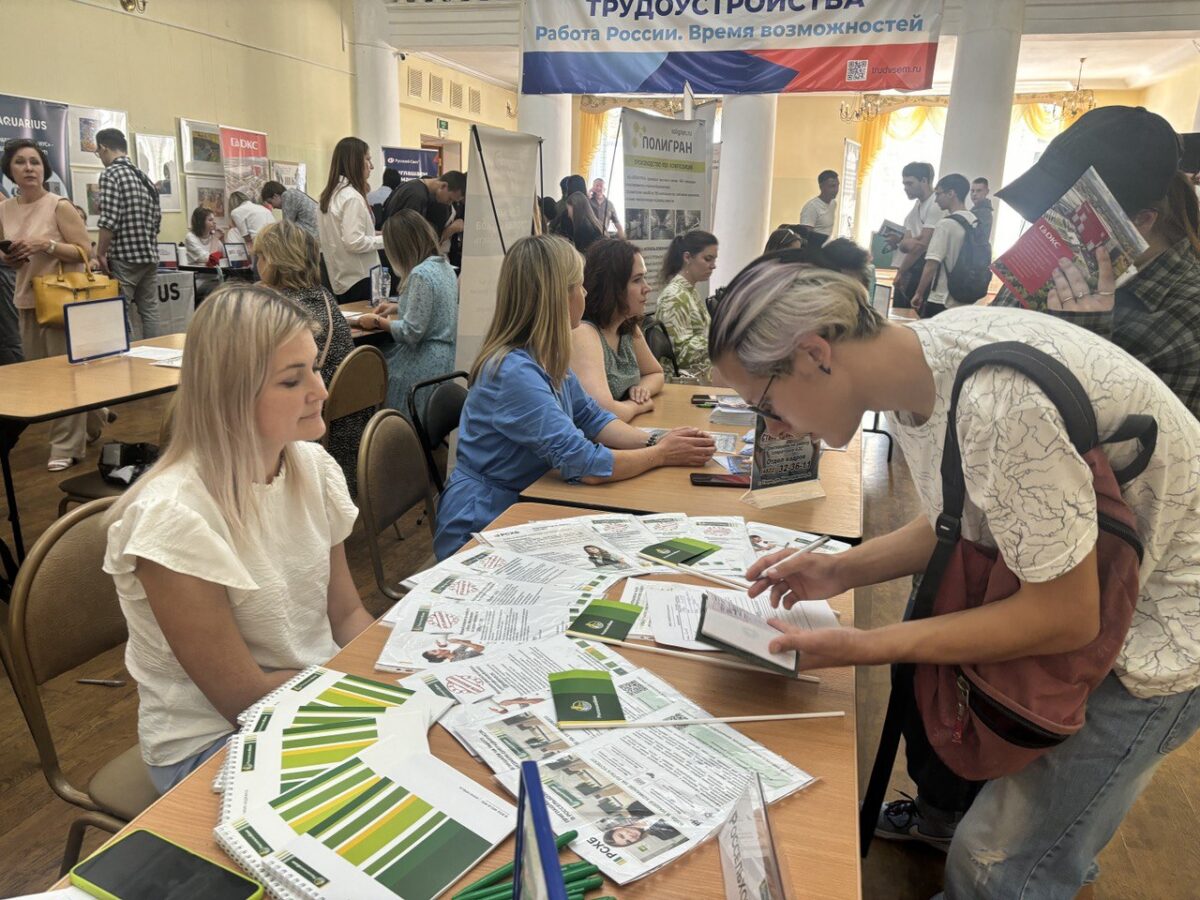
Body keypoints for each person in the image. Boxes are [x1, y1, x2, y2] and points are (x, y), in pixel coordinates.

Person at [710, 261, 1200, 900]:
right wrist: (839, 568)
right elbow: (966, 514)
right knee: (1041, 837)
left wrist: (864, 645)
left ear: (813, 354)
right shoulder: (925, 364)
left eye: (765, 404)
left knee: (1000, 863)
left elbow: (1065, 617)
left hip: (1165, 628)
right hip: (1116, 590)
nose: (771, 429)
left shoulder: (1000, 403)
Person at [103, 285, 374, 793]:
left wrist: (395, 669)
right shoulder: (173, 517)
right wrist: (369, 697)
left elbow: (346, 615)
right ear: (230, 394)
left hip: (307, 695)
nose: (320, 390)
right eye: (293, 380)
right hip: (213, 742)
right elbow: (243, 699)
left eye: (315, 368)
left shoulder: (311, 467)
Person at [433, 235, 715, 558]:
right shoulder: (513, 372)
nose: (584, 294)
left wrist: (653, 442)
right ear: (558, 297)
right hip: (480, 523)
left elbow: (593, 418)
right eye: (579, 286)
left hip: (520, 503)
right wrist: (661, 454)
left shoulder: (544, 356)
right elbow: (585, 464)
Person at [991, 106, 1200, 420]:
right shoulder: (1063, 256)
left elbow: (1154, 455)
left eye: (1066, 214)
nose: (1046, 227)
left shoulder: (1188, 311)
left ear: (1141, 221)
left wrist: (1083, 332)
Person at [0, 138, 110, 468]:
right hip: (27, 297)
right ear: (10, 171)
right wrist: (11, 256)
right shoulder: (4, 209)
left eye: (34, 161)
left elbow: (84, 251)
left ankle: (65, 447)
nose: (28, 168)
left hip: (63, 299)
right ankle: (96, 413)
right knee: (45, 375)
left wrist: (45, 245)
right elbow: (4, 256)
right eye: (20, 162)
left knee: (63, 375)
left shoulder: (58, 205)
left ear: (44, 168)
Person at [254, 220, 363, 495]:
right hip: (347, 428)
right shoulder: (324, 297)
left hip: (309, 433)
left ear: (272, 261)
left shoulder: (278, 312)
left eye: (260, 256)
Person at [356, 210, 459, 414]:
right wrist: (398, 307)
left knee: (372, 367)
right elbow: (433, 309)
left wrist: (377, 321)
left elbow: (410, 332)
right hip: (444, 360)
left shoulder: (420, 274)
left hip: (424, 361)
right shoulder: (444, 267)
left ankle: (376, 434)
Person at [573, 238, 664, 422]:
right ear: (612, 286)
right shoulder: (584, 332)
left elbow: (656, 373)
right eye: (637, 280)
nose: (647, 288)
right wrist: (638, 405)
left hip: (626, 428)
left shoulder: (627, 326)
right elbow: (603, 412)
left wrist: (642, 389)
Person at [95, 128, 162, 339]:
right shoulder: (144, 178)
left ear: (103, 148)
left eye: (98, 153)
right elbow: (157, 220)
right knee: (150, 312)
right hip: (149, 255)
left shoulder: (110, 174)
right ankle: (158, 353)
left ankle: (127, 362)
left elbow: (110, 219)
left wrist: (101, 252)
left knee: (120, 312)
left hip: (124, 256)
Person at [317, 136, 383, 303]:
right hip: (360, 278)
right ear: (354, 161)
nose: (372, 166)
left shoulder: (329, 196)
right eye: (367, 159)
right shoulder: (351, 197)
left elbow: (341, 236)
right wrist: (386, 240)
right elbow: (354, 242)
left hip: (340, 278)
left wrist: (373, 234)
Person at [655, 230, 718, 379]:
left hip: (701, 375)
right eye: (708, 259)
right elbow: (681, 355)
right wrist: (721, 338)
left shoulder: (689, 292)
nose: (713, 266)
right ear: (687, 257)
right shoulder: (674, 296)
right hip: (686, 383)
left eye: (714, 260)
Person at [913, 173, 977, 316]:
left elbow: (932, 264)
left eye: (938, 194)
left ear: (951, 193)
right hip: (965, 298)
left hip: (942, 298)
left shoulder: (945, 224)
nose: (936, 200)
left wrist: (919, 293)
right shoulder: (974, 221)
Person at [885, 162, 942, 309]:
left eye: (910, 183)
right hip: (908, 266)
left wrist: (901, 272)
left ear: (924, 181)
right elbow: (908, 240)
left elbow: (920, 246)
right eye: (904, 184)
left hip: (918, 268)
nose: (906, 188)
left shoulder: (936, 204)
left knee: (910, 315)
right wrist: (900, 242)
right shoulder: (917, 204)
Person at [381, 170, 467, 244]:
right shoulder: (417, 196)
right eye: (450, 199)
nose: (449, 203)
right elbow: (408, 235)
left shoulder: (414, 187)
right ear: (443, 186)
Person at [183, 207, 226, 301]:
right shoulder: (190, 237)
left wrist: (222, 240)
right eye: (210, 220)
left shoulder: (213, 236)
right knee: (221, 292)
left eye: (214, 220)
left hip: (216, 278)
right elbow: (212, 261)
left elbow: (225, 258)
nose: (214, 223)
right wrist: (215, 238)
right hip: (200, 281)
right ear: (200, 222)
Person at [228, 191, 276, 256]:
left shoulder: (236, 212)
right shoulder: (261, 208)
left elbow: (247, 238)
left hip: (260, 244)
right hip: (274, 243)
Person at [798, 170, 839, 239]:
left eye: (837, 185)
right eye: (832, 186)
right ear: (821, 187)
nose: (836, 189)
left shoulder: (833, 203)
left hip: (826, 247)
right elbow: (805, 236)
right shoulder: (811, 207)